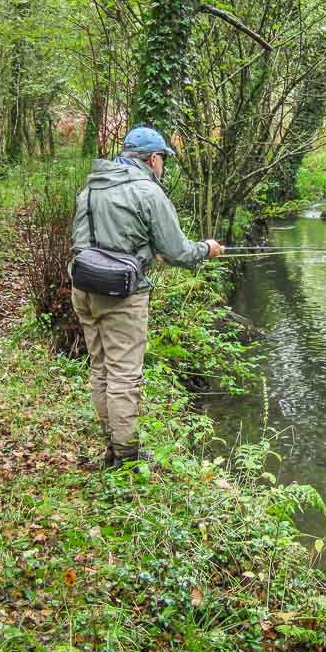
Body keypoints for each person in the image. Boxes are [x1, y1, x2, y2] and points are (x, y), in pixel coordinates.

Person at [70, 126, 224, 469]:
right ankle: (126, 458)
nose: (163, 167)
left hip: (82, 288)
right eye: (163, 160)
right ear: (153, 159)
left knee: (101, 369)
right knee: (125, 374)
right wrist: (207, 249)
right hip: (121, 296)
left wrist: (142, 252)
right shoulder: (148, 192)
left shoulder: (92, 186)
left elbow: (86, 239)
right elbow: (180, 251)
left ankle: (113, 445)